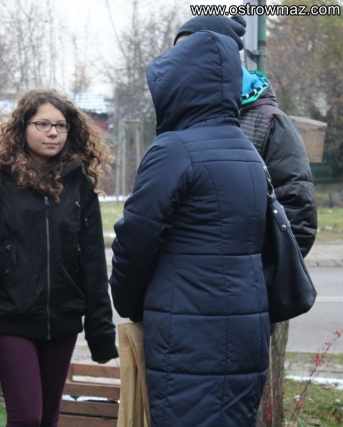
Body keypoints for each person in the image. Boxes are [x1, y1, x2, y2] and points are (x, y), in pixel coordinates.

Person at [110, 31, 269, 426]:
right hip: (246, 330)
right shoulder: (247, 152)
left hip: (187, 334)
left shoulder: (175, 149)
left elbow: (135, 241)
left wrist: (129, 304)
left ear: (179, 86)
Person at [0, 89, 119, 427]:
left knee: (47, 418)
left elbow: (92, 260)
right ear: (22, 127)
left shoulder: (79, 182)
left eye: (60, 125)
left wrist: (100, 330)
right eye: (42, 124)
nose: (53, 132)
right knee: (27, 417)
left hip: (62, 319)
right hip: (9, 317)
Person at [173, 15, 318, 256]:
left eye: (188, 51)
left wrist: (252, 272)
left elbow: (298, 220)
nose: (177, 62)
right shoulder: (179, 121)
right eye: (175, 53)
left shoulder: (270, 123)